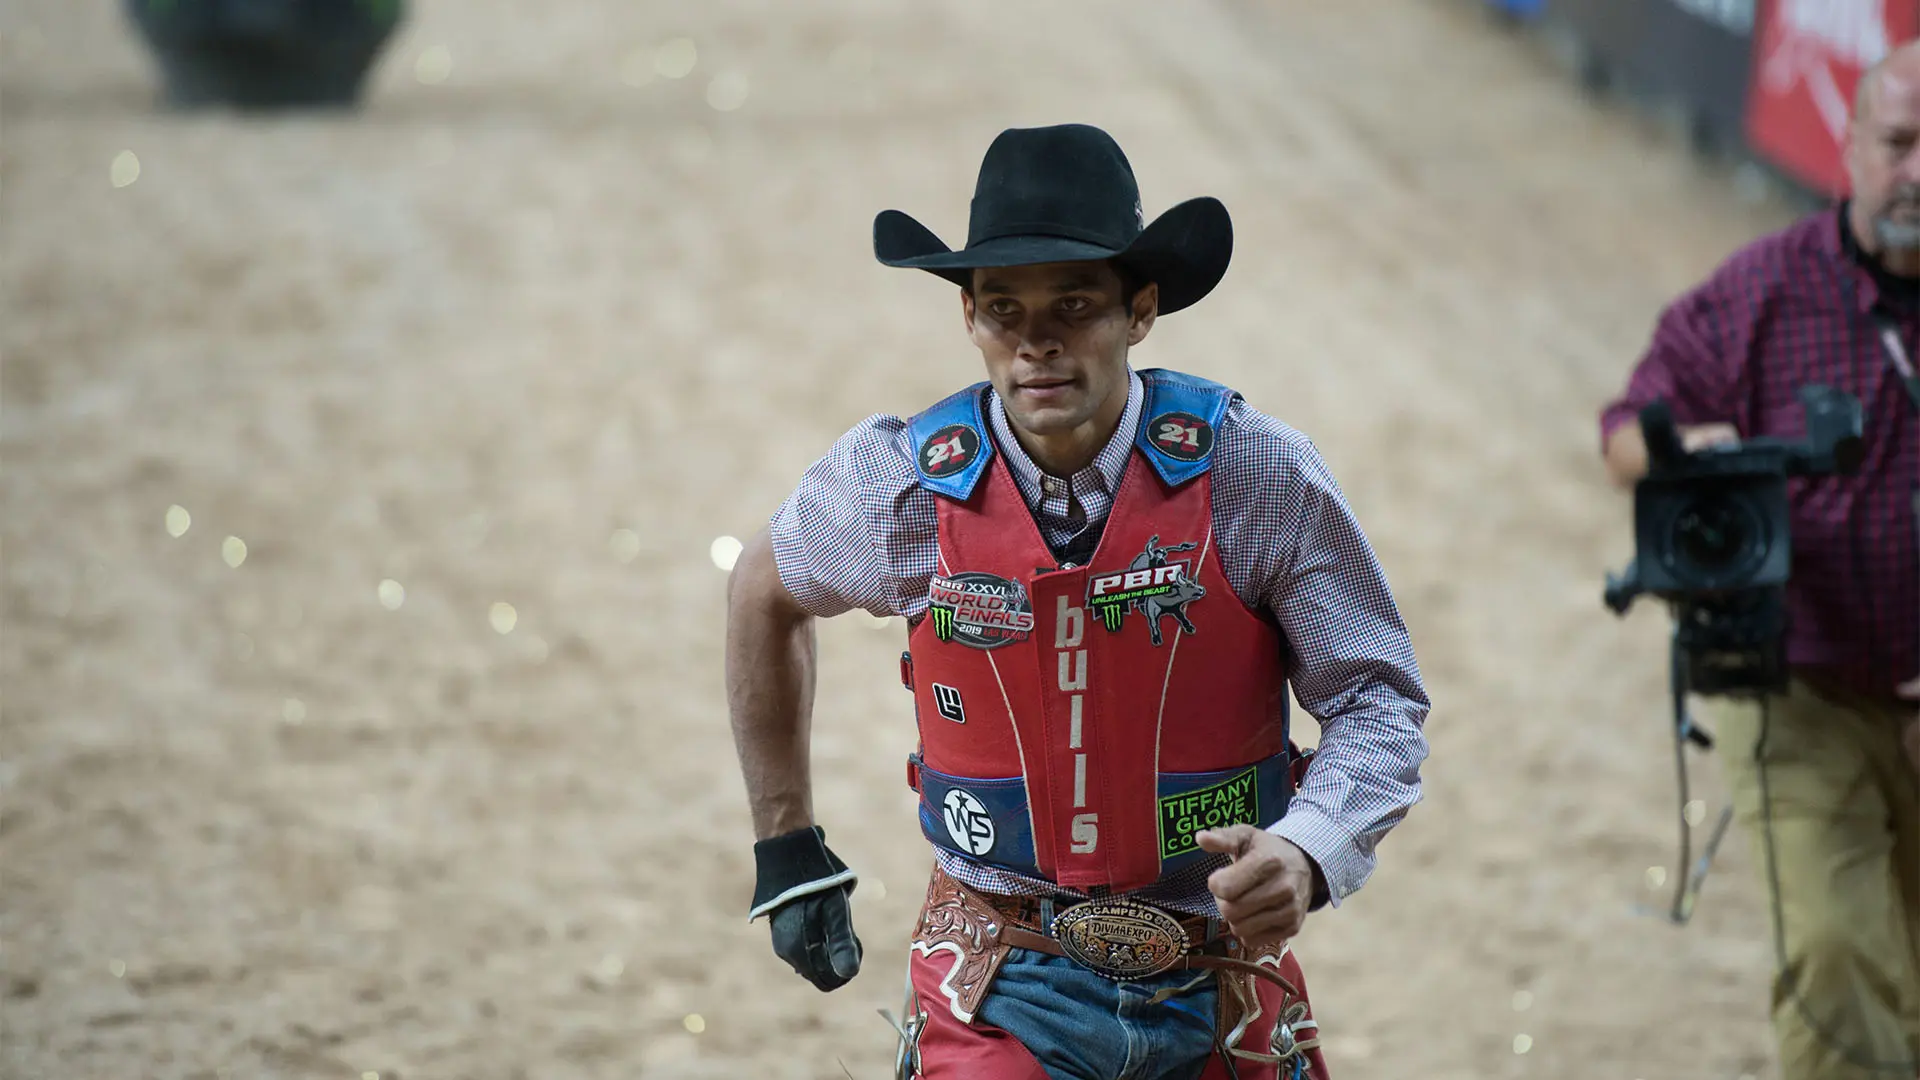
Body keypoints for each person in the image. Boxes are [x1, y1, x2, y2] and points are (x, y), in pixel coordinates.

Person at [726, 123, 1431, 1079]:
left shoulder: (1257, 474)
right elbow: (763, 589)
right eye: (1004, 308)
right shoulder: (898, 485)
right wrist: (786, 849)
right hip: (997, 976)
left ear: (1141, 310)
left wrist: (1310, 850)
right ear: (968, 316)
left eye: (1075, 304)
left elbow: (1379, 700)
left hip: (1215, 969)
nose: (1037, 343)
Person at [1598, 42, 1920, 1080]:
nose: (1918, 172)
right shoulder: (1761, 292)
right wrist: (1689, 455)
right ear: (1851, 142)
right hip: (1799, 682)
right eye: (1901, 143)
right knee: (1834, 953)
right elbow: (1624, 434)